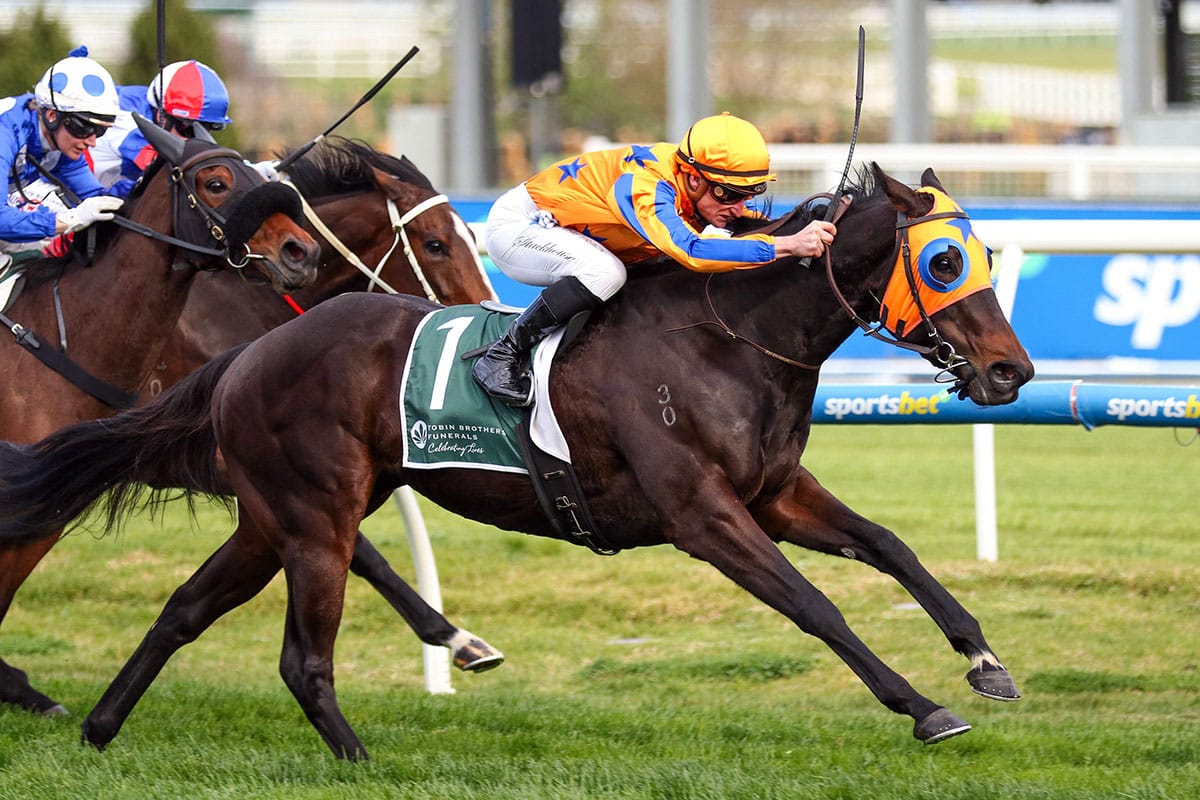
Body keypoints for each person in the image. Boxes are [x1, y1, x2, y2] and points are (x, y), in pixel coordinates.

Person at [472, 111, 838, 406]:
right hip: (521, 227)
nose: (739, 207)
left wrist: (811, 219)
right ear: (692, 178)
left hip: (572, 232)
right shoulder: (646, 187)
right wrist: (787, 246)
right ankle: (503, 355)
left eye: (748, 194)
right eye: (729, 194)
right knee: (606, 273)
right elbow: (693, 251)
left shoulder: (696, 185)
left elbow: (749, 223)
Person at [0, 47, 124, 254]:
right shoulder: (6, 134)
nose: (92, 142)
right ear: (51, 115)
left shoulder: (61, 140)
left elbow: (94, 198)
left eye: (100, 131)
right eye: (85, 128)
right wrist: (71, 219)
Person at [87, 59, 236, 198]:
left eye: (207, 129)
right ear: (161, 116)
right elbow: (190, 169)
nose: (193, 139)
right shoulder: (128, 123)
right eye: (187, 129)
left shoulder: (158, 102)